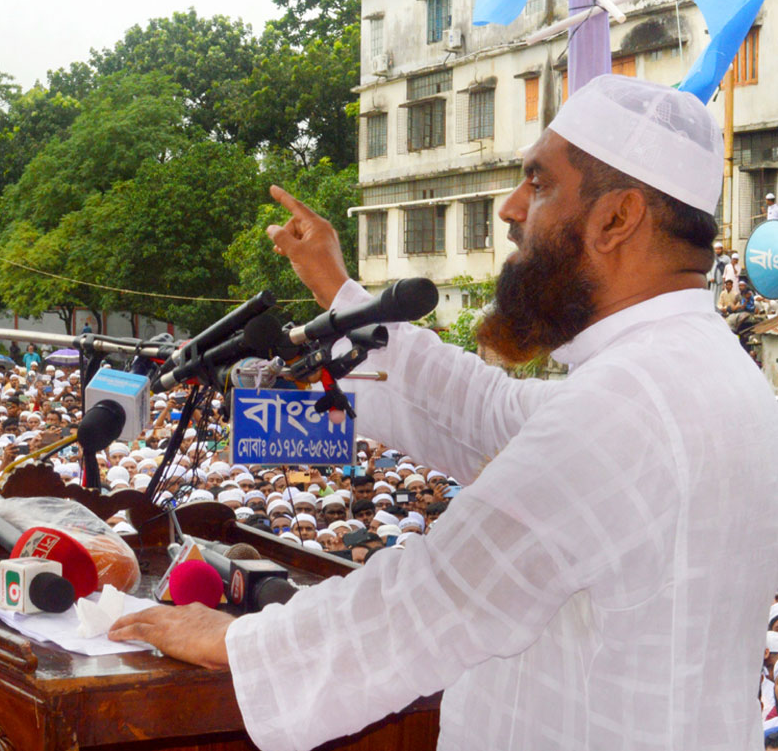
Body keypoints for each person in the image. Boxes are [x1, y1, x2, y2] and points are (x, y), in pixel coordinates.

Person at [109, 74, 778, 749]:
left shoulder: (629, 401)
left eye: (540, 183)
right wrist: (340, 292)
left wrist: (242, 643)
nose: (513, 208)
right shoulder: (709, 375)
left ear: (617, 219)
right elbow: (488, 413)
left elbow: (439, 594)